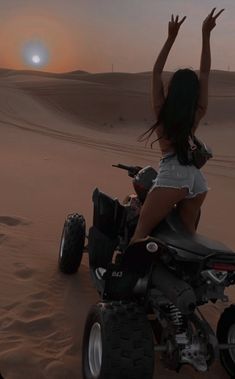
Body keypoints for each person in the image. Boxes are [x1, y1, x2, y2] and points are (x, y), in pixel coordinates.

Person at [130, 8, 224, 244]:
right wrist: (206, 35)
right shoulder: (197, 113)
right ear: (193, 94)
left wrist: (170, 38)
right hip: (197, 181)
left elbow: (156, 72)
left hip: (173, 174)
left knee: (140, 232)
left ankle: (125, 278)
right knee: (186, 239)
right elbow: (205, 73)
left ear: (172, 90)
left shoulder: (162, 111)